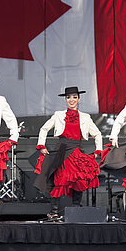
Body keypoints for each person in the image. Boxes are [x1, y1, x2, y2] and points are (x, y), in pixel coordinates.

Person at [33, 86, 102, 220]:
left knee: (78, 179)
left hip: (77, 149)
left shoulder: (85, 117)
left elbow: (98, 134)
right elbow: (44, 128)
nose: (71, 100)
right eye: (68, 97)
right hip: (62, 149)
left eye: (74, 97)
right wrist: (41, 145)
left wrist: (98, 150)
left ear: (79, 99)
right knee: (58, 180)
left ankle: (75, 210)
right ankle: (54, 212)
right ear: (65, 100)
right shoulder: (59, 115)